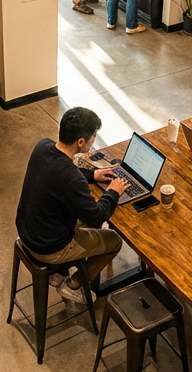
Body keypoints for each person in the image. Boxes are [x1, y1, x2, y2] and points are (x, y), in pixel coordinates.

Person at [15, 107, 127, 303]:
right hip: (49, 248)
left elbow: (62, 176)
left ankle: (57, 273)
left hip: (28, 233)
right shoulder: (71, 178)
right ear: (81, 141)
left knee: (69, 215)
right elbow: (96, 216)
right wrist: (113, 192)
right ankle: (74, 284)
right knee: (114, 241)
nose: (94, 141)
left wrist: (92, 175)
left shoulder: (43, 146)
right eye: (93, 136)